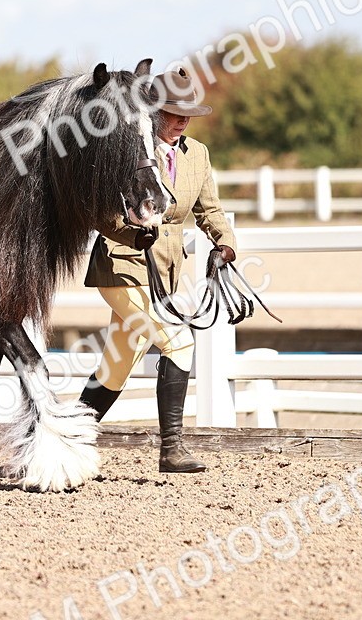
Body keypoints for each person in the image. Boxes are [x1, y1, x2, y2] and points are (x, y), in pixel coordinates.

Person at [81, 68, 236, 473]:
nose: (182, 120)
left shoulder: (197, 155)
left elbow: (209, 209)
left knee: (116, 364)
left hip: (163, 271)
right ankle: (172, 449)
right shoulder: (127, 151)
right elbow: (98, 213)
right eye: (173, 113)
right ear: (153, 113)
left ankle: (71, 438)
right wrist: (133, 234)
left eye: (188, 114)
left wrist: (225, 243)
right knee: (178, 343)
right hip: (121, 264)